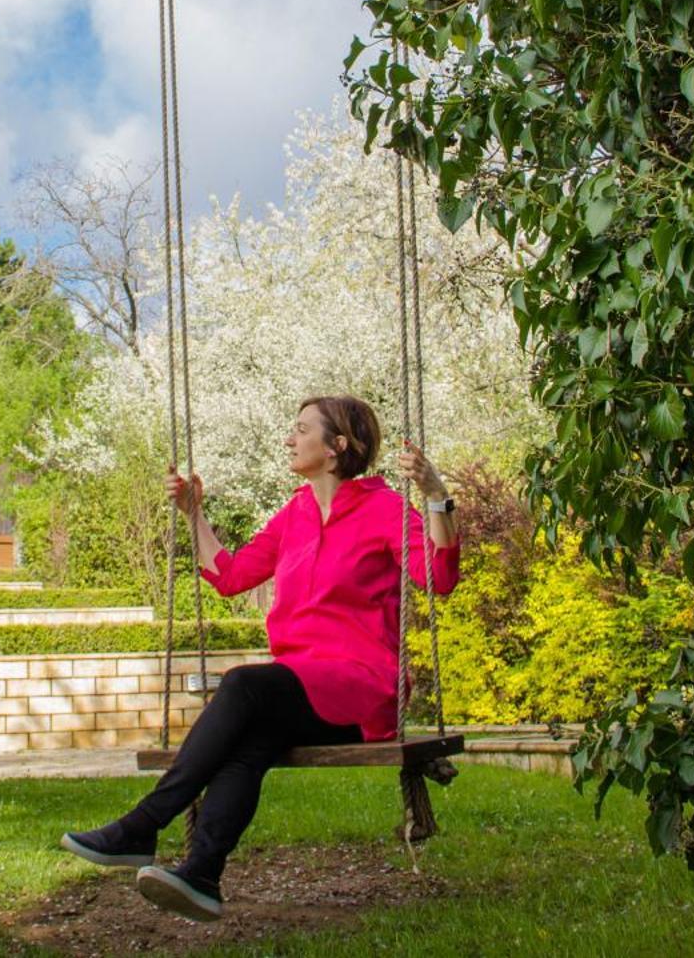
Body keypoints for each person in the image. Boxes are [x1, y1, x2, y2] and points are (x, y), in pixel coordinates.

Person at [59, 394, 460, 922]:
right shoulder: (293, 514)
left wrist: (435, 496)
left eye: (301, 430)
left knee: (244, 685)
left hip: (362, 683)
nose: (289, 439)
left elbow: (440, 576)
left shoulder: (384, 508)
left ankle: (144, 824)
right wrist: (193, 513)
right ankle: (201, 875)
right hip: (299, 685)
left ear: (337, 446)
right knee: (250, 743)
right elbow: (230, 576)